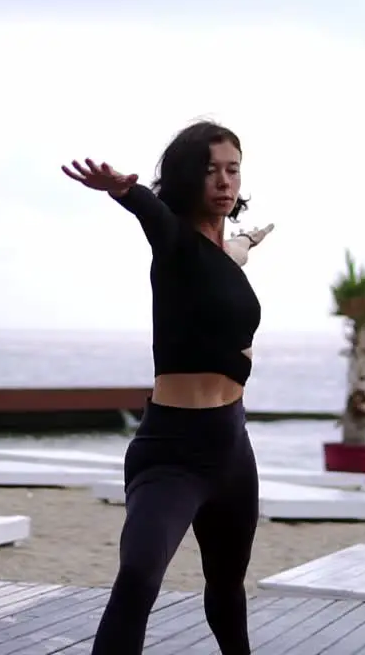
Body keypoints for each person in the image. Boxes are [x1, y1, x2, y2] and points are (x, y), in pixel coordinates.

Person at [61, 120, 273, 654]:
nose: (224, 182)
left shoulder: (225, 253)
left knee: (227, 590)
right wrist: (125, 191)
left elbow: (235, 251)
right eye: (210, 171)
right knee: (137, 578)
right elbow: (151, 214)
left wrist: (250, 238)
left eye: (232, 170)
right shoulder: (175, 241)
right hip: (172, 452)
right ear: (187, 178)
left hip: (231, 448)